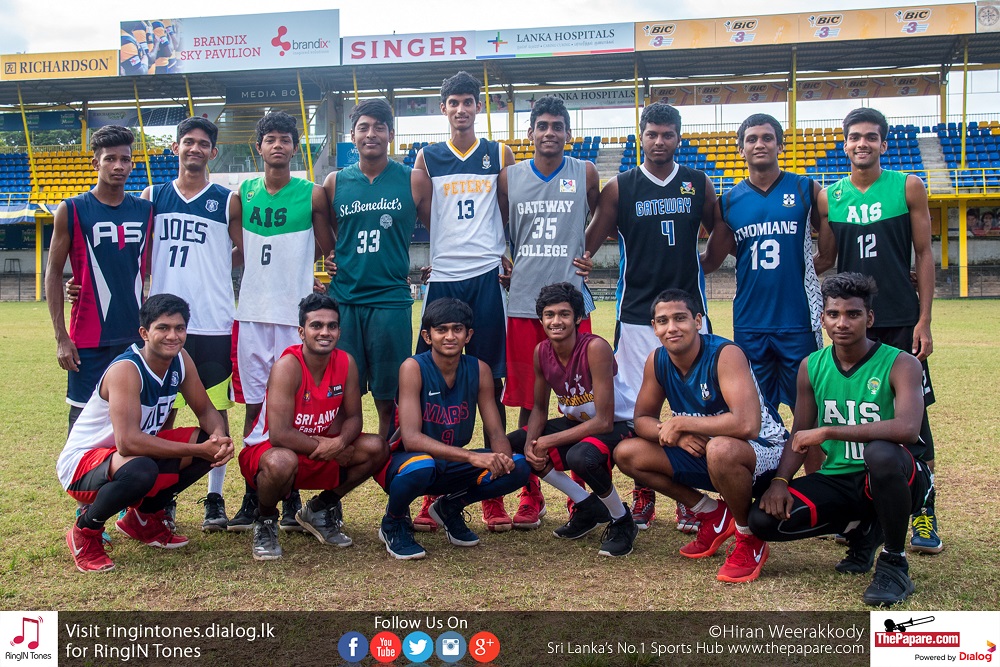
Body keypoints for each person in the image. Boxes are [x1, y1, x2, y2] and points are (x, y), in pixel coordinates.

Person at [749, 273, 932, 606]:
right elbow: (801, 431)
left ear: (870, 318)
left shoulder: (900, 363)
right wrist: (779, 480)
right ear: (822, 319)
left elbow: (907, 429)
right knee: (762, 520)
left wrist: (829, 431)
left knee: (880, 454)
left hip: (899, 476)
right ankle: (862, 531)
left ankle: (893, 561)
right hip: (841, 479)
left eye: (853, 314)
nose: (842, 323)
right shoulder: (811, 366)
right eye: (833, 314)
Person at [585, 102, 722, 532]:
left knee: (695, 404)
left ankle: (688, 492)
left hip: (688, 312)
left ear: (679, 138)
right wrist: (583, 258)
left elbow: (720, 230)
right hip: (637, 313)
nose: (659, 142)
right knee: (633, 409)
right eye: (652, 134)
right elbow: (589, 239)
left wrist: (707, 261)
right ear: (640, 136)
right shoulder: (620, 187)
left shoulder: (699, 183)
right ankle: (645, 488)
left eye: (668, 135)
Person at [819, 107, 941, 554]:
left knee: (915, 419)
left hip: (898, 319)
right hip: (851, 323)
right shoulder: (830, 197)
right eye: (855, 137)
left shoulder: (908, 185)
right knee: (854, 413)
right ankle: (861, 510)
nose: (862, 143)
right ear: (845, 143)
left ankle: (924, 512)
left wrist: (924, 319)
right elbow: (825, 259)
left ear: (884, 143)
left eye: (871, 136)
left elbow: (924, 254)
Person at [614, 289, 787, 582]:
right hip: (709, 451)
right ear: (654, 328)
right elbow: (642, 419)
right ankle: (712, 514)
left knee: (720, 449)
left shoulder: (725, 354)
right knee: (627, 453)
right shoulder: (657, 360)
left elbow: (747, 425)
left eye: (680, 318)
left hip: (763, 451)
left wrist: (682, 423)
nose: (672, 327)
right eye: (663, 321)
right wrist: (677, 436)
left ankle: (749, 537)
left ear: (697, 321)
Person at [56, 294, 233, 573]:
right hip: (83, 464)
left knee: (203, 441)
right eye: (163, 328)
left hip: (125, 458)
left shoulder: (181, 359)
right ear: (145, 333)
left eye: (179, 328)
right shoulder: (127, 369)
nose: (172, 336)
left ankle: (142, 518)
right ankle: (84, 533)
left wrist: (219, 439)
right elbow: (127, 443)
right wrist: (198, 451)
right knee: (143, 468)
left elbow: (206, 410)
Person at [412, 71, 517, 532]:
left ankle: (491, 491)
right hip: (445, 279)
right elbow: (424, 215)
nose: (460, 109)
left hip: (487, 276)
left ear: (478, 107)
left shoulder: (499, 154)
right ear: (443, 109)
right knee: (432, 383)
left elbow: (510, 211)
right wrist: (439, 256)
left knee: (490, 381)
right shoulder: (427, 157)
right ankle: (428, 489)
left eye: (468, 102)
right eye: (452, 102)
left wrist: (507, 254)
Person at [229, 111, 335, 533]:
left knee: (295, 406)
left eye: (285, 139)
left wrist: (299, 271)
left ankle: (289, 495)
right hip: (252, 314)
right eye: (269, 138)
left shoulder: (311, 195)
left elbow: (329, 247)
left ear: (295, 147)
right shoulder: (241, 196)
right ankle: (254, 491)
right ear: (259, 146)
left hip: (294, 318)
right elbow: (242, 250)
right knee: (255, 404)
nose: (277, 145)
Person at [498, 95, 600, 529]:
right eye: (542, 126)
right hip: (523, 305)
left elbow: (604, 214)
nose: (550, 133)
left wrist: (589, 249)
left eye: (558, 126)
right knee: (527, 403)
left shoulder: (585, 172)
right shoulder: (509, 178)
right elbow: (499, 228)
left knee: (584, 401)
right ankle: (531, 493)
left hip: (572, 305)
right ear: (530, 133)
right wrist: (504, 256)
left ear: (568, 134)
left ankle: (585, 494)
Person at [375, 298, 530, 560]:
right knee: (423, 465)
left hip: (448, 462)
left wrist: (502, 460)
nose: (449, 336)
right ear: (427, 335)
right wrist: (472, 456)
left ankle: (449, 507)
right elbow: (411, 439)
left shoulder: (478, 369)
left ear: (468, 335)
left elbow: (495, 431)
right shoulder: (413, 367)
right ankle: (393, 521)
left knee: (519, 466)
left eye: (457, 329)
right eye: (441, 330)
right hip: (404, 463)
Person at [238, 294, 388, 561]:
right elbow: (280, 434)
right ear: (301, 332)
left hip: (321, 448)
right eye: (316, 325)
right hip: (271, 450)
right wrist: (329, 447)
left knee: (377, 447)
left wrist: (340, 443)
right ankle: (266, 520)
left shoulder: (346, 363)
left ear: (340, 331)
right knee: (280, 462)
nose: (325, 332)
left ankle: (319, 509)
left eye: (332, 326)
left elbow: (355, 418)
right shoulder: (287, 367)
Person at [145, 116, 241, 532]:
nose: (195, 149)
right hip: (164, 323)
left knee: (213, 410)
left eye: (203, 143)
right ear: (176, 148)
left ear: (213, 152)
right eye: (188, 142)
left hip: (212, 322)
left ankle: (215, 496)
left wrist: (217, 268)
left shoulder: (227, 199)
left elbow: (245, 251)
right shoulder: (153, 195)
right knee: (160, 414)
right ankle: (160, 497)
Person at [708, 112, 835, 414]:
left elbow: (828, 255)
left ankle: (816, 464)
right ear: (741, 149)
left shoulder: (806, 189)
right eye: (751, 139)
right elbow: (712, 258)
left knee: (809, 409)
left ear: (780, 146)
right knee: (758, 412)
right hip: (750, 322)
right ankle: (770, 463)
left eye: (767, 138)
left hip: (799, 318)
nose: (759, 144)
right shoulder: (727, 202)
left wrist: (795, 271)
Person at [323, 99, 432, 441]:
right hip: (344, 301)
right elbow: (325, 231)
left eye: (379, 128)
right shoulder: (334, 182)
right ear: (352, 136)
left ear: (391, 135)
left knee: (390, 395)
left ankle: (385, 457)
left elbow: (440, 230)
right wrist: (328, 255)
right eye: (364, 128)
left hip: (390, 300)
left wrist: (439, 264)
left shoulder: (413, 179)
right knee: (341, 392)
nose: (371, 134)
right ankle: (343, 456)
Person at [509, 283, 636, 555]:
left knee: (582, 457)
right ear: (541, 319)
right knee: (517, 444)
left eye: (564, 314)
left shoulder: (595, 347)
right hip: (580, 424)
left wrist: (547, 441)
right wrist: (533, 444)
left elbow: (603, 420)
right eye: (549, 314)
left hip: (618, 424)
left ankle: (622, 519)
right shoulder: (541, 352)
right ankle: (588, 507)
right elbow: (540, 409)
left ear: (578, 318)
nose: (556, 321)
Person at [45, 125, 154, 435]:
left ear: (132, 163)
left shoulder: (146, 211)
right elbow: (53, 273)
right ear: (96, 163)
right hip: (87, 338)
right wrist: (60, 337)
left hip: (134, 336)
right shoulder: (72, 209)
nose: (118, 166)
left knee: (132, 419)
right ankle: (76, 480)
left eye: (125, 159)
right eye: (110, 159)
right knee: (81, 421)